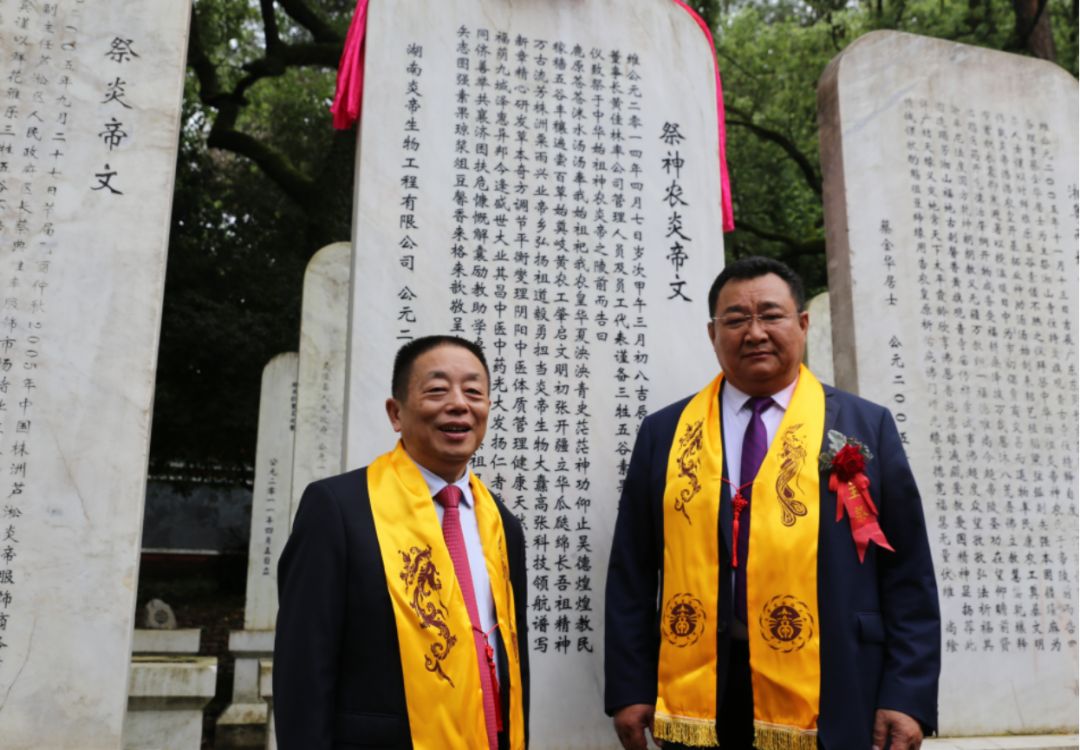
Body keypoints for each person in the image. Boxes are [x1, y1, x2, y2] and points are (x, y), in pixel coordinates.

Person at [605, 257, 939, 750]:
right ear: (712, 333)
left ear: (802, 324)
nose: (755, 332)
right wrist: (630, 688)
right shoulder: (666, 433)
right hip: (701, 685)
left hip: (838, 683)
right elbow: (632, 572)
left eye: (771, 315)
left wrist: (907, 695)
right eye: (736, 319)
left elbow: (908, 572)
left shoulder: (865, 427)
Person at [274, 335, 529, 749]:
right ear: (396, 413)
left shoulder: (502, 525)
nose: (459, 404)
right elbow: (303, 668)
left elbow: (511, 666)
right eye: (437, 390)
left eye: (474, 392)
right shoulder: (338, 509)